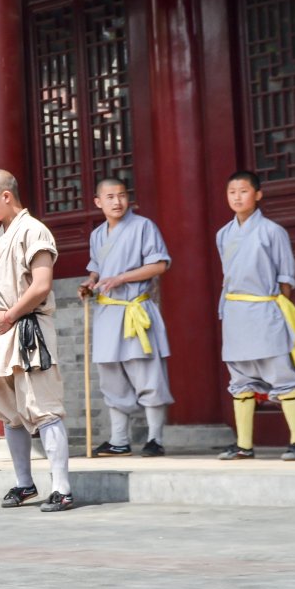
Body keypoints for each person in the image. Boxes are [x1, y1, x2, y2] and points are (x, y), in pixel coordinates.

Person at [0, 169, 73, 512]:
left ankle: (62, 488)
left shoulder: (34, 230)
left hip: (29, 329)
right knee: (9, 414)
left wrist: (11, 315)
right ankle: (24, 484)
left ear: (6, 196)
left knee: (44, 409)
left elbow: (41, 285)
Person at [216, 171, 295, 461]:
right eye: (232, 192)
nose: (237, 197)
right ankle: (244, 444)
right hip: (235, 312)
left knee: (281, 371)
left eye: (243, 191)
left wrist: (278, 309)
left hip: (265, 309)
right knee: (240, 377)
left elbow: (285, 278)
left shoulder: (272, 231)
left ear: (257, 195)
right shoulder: (223, 234)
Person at [78, 178, 174, 457]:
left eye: (121, 195)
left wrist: (122, 277)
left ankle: (155, 438)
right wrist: (90, 282)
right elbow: (97, 268)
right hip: (108, 312)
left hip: (135, 309)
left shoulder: (144, 226)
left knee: (147, 374)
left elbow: (159, 264)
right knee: (111, 377)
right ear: (98, 202)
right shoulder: (97, 235)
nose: (117, 201)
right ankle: (119, 440)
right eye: (110, 197)